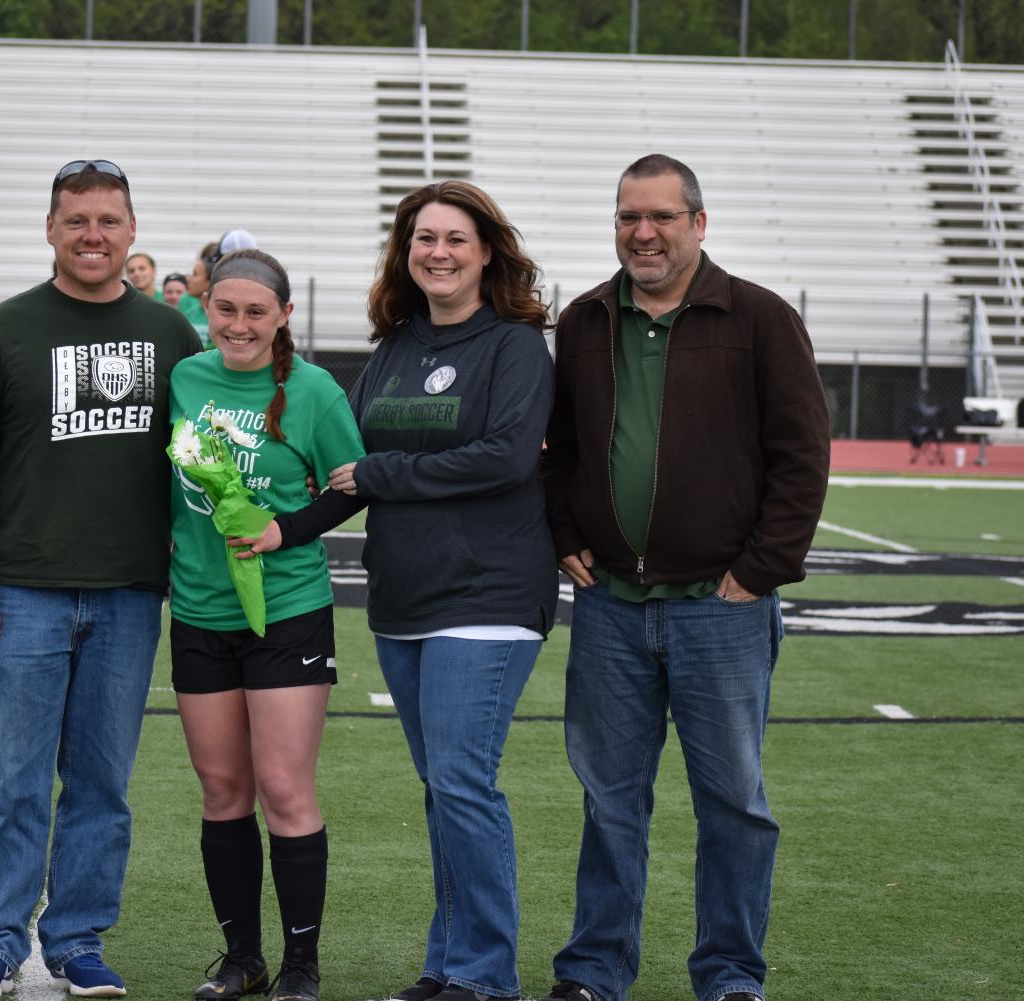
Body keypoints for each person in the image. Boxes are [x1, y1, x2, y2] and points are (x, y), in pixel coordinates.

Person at [240, 180, 557, 1001]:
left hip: (488, 594)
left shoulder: (515, 347)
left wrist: (386, 472)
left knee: (460, 781)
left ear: (487, 250)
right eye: (423, 239)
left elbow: (505, 457)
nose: (438, 253)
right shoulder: (392, 348)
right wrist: (279, 526)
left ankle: (484, 975)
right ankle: (447, 963)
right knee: (442, 789)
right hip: (404, 599)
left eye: (455, 238)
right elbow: (345, 473)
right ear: (405, 252)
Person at [540, 154, 831, 1001]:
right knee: (608, 802)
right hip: (611, 608)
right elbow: (557, 447)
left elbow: (802, 455)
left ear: (697, 224)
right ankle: (594, 971)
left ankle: (731, 974)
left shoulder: (760, 318)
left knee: (733, 805)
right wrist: (565, 532)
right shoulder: (586, 319)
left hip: (720, 607)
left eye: (661, 217)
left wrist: (759, 570)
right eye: (629, 216)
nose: (643, 232)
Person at [0, 158, 201, 1000]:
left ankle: (77, 937)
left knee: (101, 784)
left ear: (131, 231)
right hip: (24, 593)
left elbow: (203, 460)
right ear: (50, 229)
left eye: (108, 221)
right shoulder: (3, 330)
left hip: (127, 594)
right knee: (11, 778)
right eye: (76, 220)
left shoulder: (170, 335)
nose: (93, 235)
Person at [167, 249, 364, 1001]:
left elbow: (352, 487)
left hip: (286, 610)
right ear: (206, 308)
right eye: (225, 309)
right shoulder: (186, 377)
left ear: (283, 315)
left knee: (283, 786)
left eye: (256, 311)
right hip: (198, 610)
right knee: (222, 788)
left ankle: (301, 966)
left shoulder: (312, 390)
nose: (238, 325)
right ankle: (241, 957)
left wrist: (287, 528)